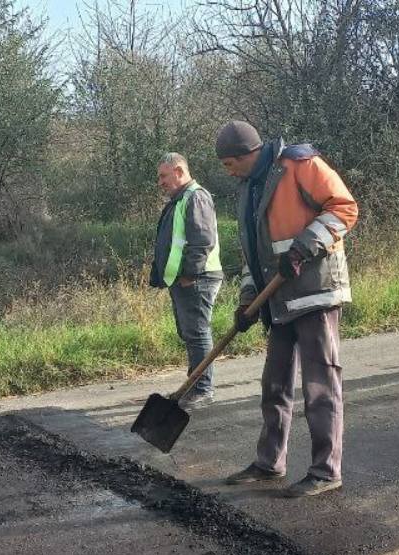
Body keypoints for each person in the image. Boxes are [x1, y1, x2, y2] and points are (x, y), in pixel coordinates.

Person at [214, 121, 358, 498]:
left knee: (319, 385)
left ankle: (326, 471)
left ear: (247, 154)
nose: (228, 172)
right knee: (274, 384)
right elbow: (254, 255)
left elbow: (345, 209)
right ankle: (269, 463)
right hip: (276, 301)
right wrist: (247, 299)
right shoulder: (248, 189)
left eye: (229, 164)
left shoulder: (301, 165)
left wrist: (304, 246)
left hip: (315, 293)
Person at [149, 152, 223, 410]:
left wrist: (190, 275)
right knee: (191, 334)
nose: (160, 182)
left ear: (179, 171)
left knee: (198, 333)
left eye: (163, 176)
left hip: (198, 279)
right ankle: (194, 386)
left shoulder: (195, 197)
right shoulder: (181, 198)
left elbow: (203, 240)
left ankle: (202, 390)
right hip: (185, 280)